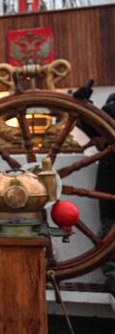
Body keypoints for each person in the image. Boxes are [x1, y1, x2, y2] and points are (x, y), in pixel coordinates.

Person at [73, 87, 115, 295]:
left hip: (109, 184)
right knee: (108, 230)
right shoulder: (110, 106)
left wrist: (84, 105)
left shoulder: (110, 107)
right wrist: (84, 105)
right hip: (110, 185)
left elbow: (100, 122)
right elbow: (98, 126)